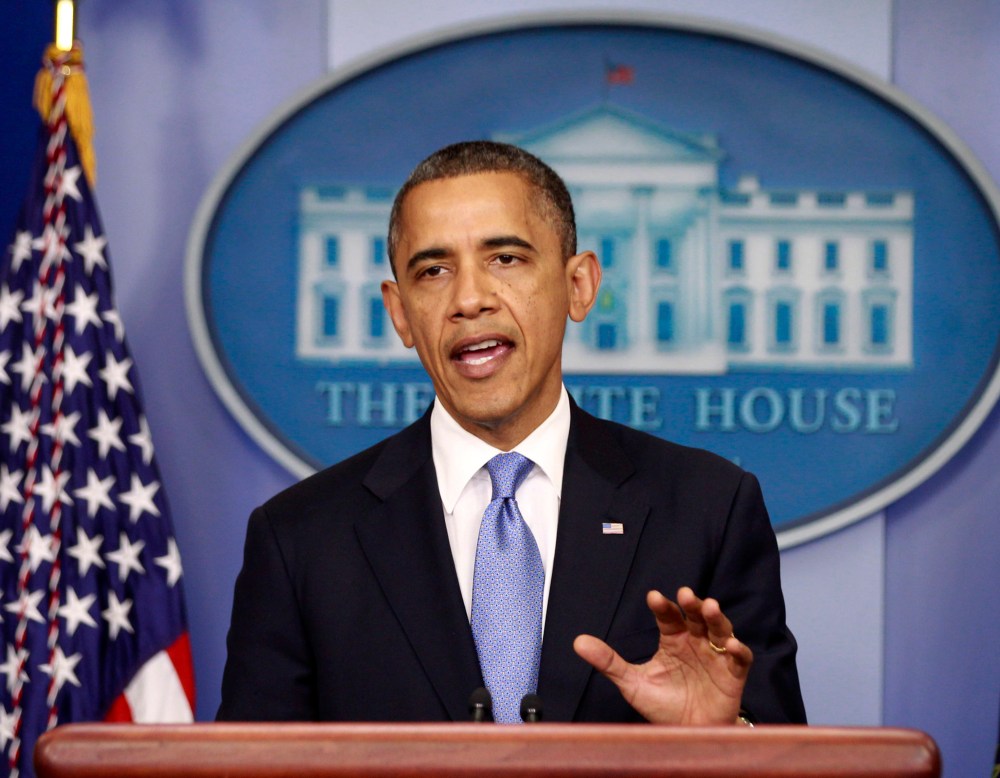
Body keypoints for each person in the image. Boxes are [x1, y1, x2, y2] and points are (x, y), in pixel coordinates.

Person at [217, 141, 806, 726]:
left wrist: (726, 741)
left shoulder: (709, 509)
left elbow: (795, 767)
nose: (469, 299)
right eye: (434, 271)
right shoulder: (299, 540)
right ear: (399, 313)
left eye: (506, 259)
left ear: (579, 285)